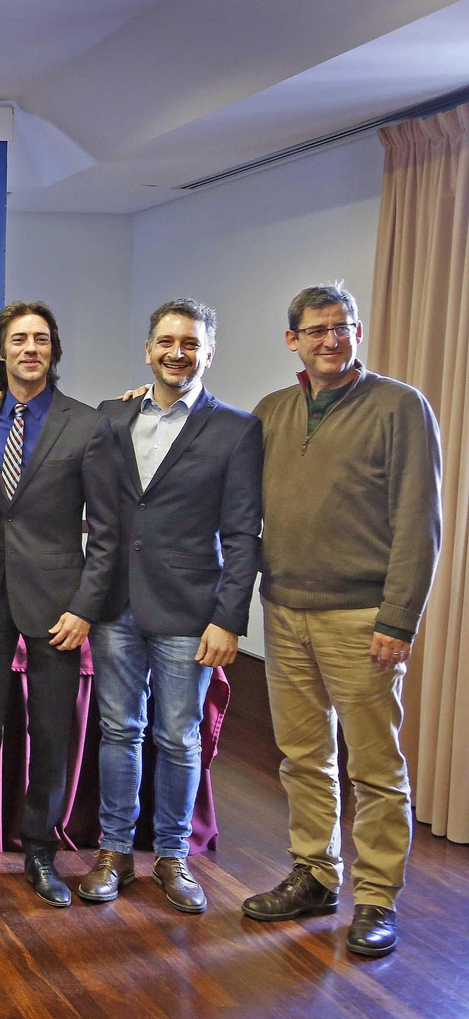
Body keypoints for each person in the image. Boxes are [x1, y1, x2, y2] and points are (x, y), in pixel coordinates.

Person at [241, 282, 441, 957]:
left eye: (344, 327)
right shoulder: (271, 411)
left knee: (376, 769)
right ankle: (316, 875)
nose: (333, 339)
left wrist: (399, 617)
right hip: (285, 611)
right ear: (292, 339)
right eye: (319, 329)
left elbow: (420, 522)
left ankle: (378, 899)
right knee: (303, 758)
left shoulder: (399, 407)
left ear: (356, 334)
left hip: (363, 619)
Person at [77, 298, 262, 915]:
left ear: (209, 351)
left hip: (190, 612)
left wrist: (229, 618)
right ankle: (114, 853)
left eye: (190, 343)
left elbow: (242, 535)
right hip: (115, 605)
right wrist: (0, 403)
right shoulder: (111, 416)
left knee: (179, 737)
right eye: (165, 341)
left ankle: (174, 857)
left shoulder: (236, 429)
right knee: (118, 731)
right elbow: (49, 432)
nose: (176, 352)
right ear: (148, 348)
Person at [0, 302, 112, 906]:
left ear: (53, 350)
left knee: (51, 731)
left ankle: (40, 850)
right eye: (18, 339)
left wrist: (86, 606)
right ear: (1, 352)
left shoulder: (87, 423)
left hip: (58, 603)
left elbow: (106, 530)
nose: (30, 348)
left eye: (40, 339)